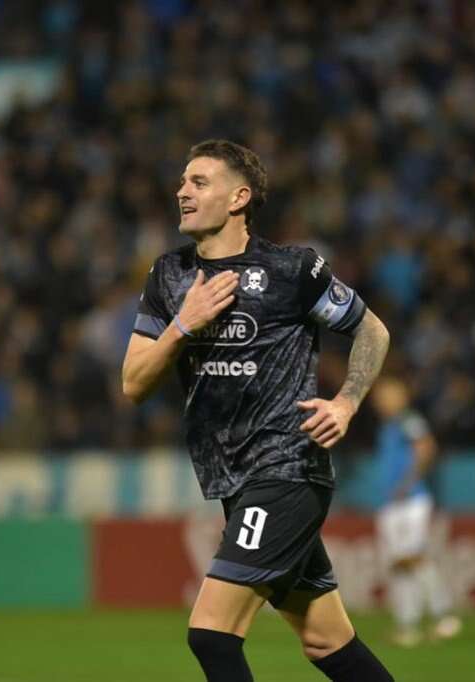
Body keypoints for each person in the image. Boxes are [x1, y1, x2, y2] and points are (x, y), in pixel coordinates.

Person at [122, 139, 393, 681]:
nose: (182, 191)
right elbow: (133, 383)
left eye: (199, 182)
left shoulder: (292, 269)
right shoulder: (169, 276)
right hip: (234, 480)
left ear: (238, 197)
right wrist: (183, 325)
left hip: (287, 471)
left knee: (211, 633)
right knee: (325, 641)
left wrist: (346, 402)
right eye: (182, 181)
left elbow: (371, 329)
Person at [370, 376, 461, 647]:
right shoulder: (387, 427)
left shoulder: (409, 420)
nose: (383, 401)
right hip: (390, 503)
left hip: (411, 501)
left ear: (402, 397)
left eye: (388, 395)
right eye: (380, 397)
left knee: (414, 557)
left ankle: (444, 615)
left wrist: (408, 482)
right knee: (399, 563)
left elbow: (426, 447)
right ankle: (407, 625)